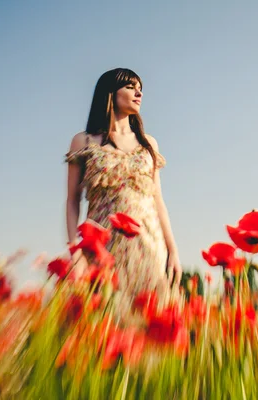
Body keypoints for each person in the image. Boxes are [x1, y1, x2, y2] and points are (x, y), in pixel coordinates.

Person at [65, 68, 182, 299]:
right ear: (110, 93)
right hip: (101, 248)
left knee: (147, 317)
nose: (138, 93)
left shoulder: (148, 144)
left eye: (140, 89)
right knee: (103, 318)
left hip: (149, 245)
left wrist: (172, 250)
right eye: (130, 87)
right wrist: (75, 252)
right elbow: (72, 201)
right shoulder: (84, 141)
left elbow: (158, 199)